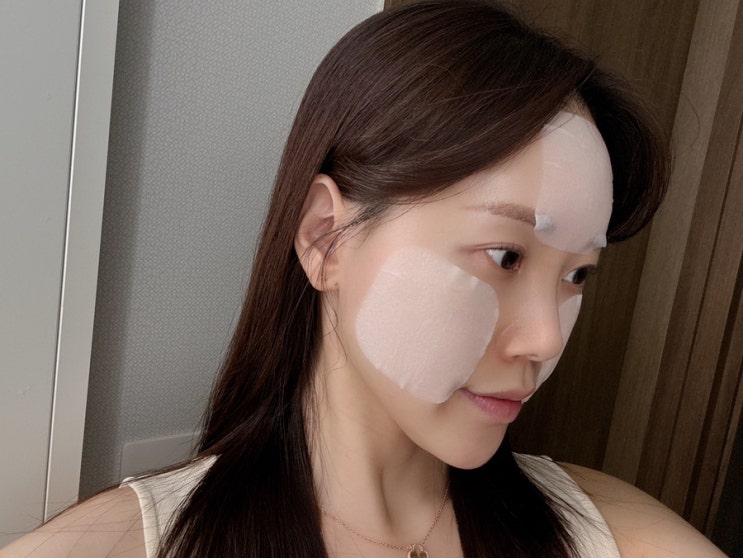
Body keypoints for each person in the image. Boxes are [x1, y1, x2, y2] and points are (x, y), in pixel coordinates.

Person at [1, 1, 727, 557]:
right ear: (327, 238)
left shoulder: (606, 532)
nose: (544, 339)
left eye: (578, 274)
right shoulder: (129, 544)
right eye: (505, 257)